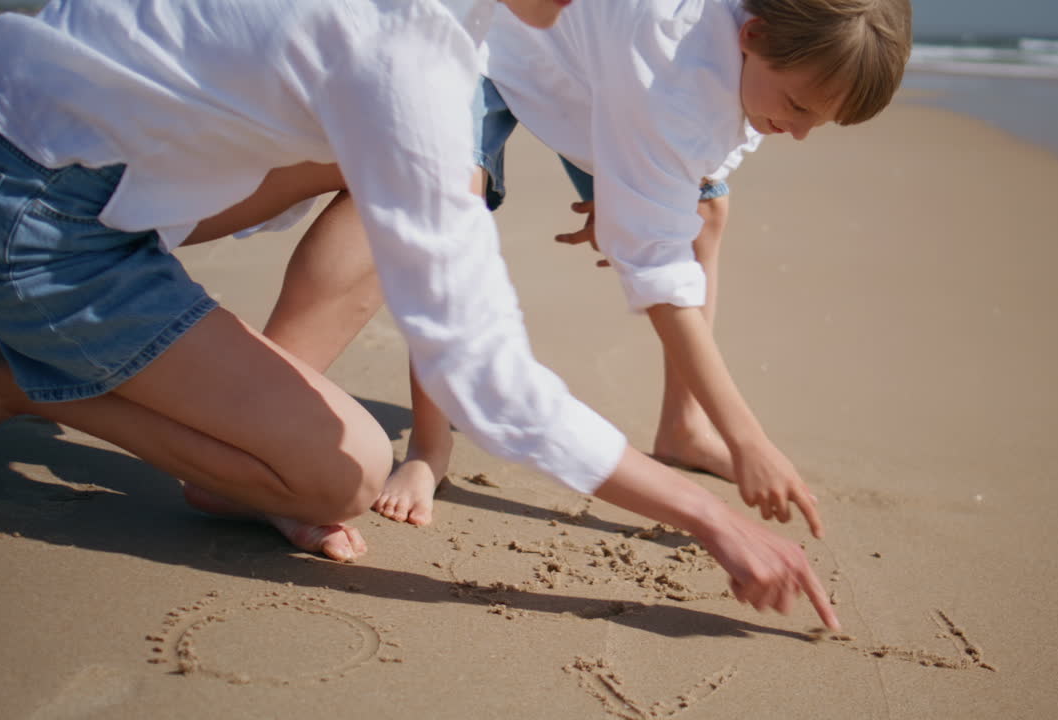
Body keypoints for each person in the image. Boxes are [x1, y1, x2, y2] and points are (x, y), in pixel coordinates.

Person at [0, 0, 838, 629]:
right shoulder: (411, 70)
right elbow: (492, 390)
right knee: (346, 473)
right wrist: (712, 520)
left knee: (382, 175)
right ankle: (27, 385)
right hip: (39, 220)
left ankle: (219, 410)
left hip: (39, 115)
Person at [371, 0, 912, 538]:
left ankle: (685, 428)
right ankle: (428, 445)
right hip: (490, 32)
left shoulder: (732, 64)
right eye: (797, 106)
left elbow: (690, 167)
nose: (799, 132)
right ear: (753, 35)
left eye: (818, 120)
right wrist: (750, 440)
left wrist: (626, 199)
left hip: (588, 68)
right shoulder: (672, 66)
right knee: (454, 202)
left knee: (704, 212)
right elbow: (659, 276)